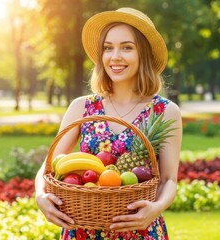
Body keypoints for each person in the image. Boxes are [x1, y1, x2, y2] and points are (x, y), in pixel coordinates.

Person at [35, 7, 182, 240]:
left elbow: (168, 180)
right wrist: (40, 195)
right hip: (83, 230)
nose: (115, 57)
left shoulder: (164, 112)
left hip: (140, 230)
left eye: (127, 47)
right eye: (108, 48)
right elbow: (49, 166)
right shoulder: (82, 108)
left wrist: (156, 208)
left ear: (142, 54)